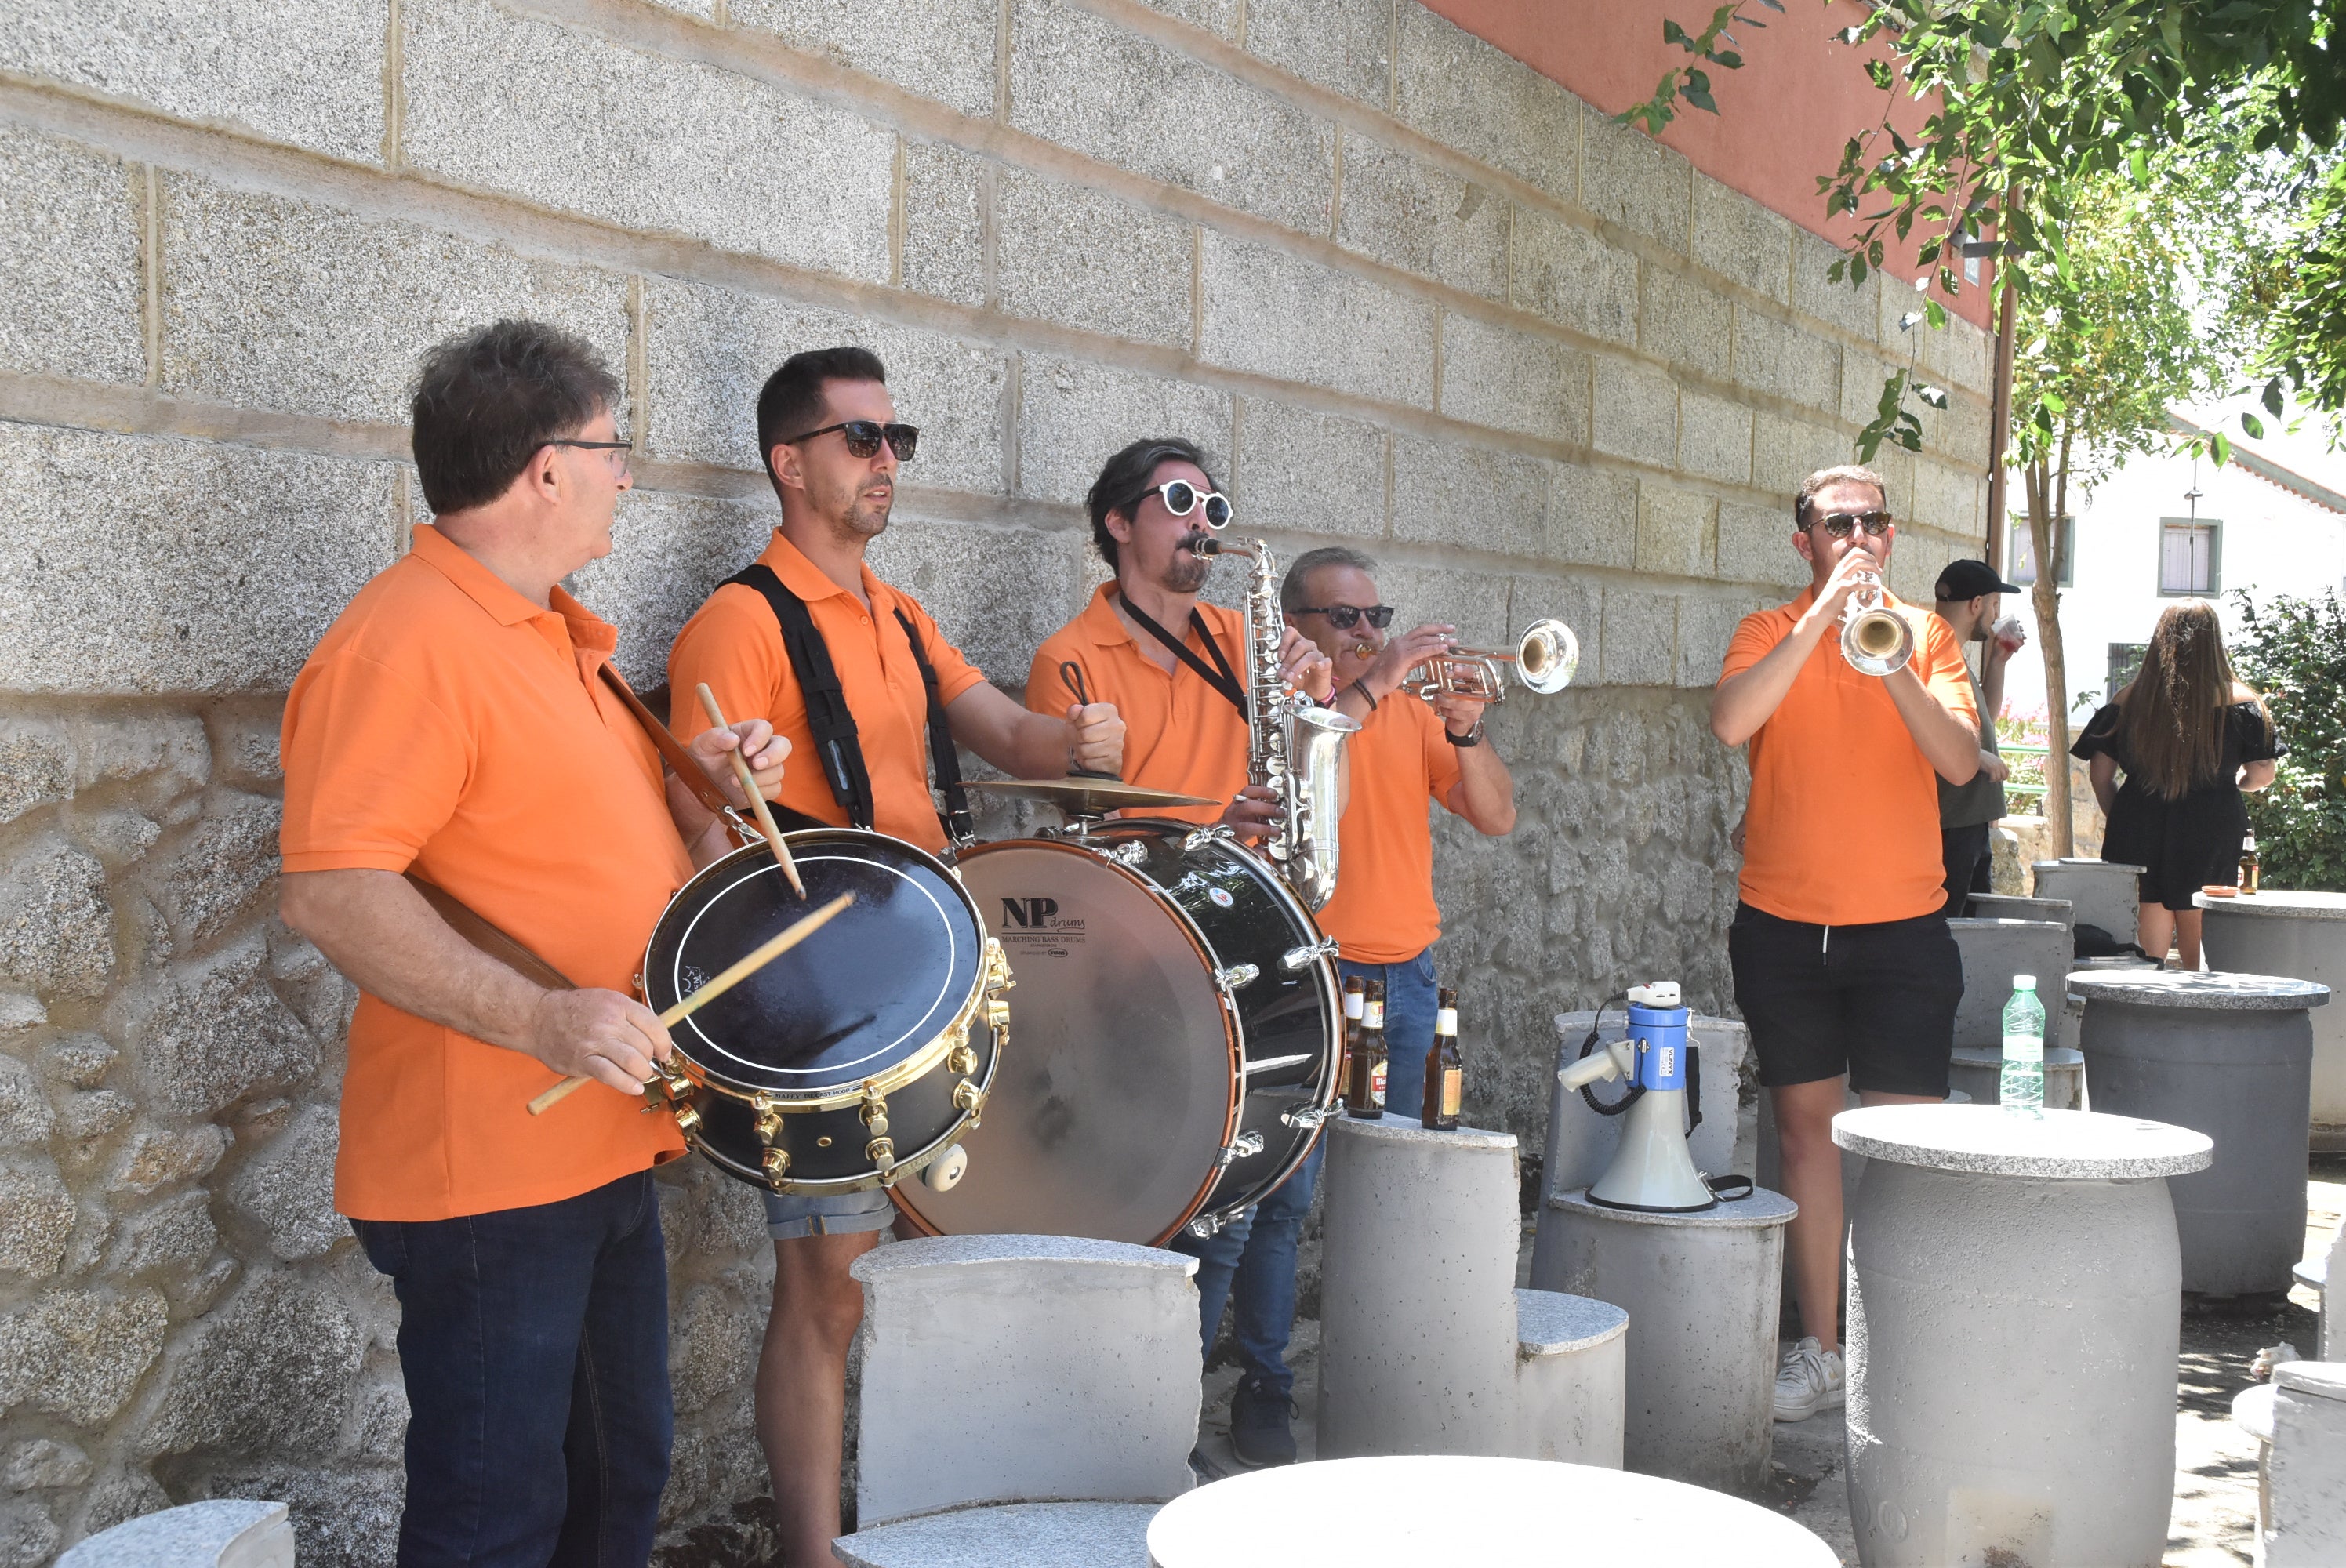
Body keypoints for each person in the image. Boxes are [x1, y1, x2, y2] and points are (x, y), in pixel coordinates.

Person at [277, 320, 790, 1566]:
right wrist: (541, 1020)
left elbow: (565, 838)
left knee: (616, 1485)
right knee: (494, 1517)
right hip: (489, 1170)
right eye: (616, 450)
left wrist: (693, 780)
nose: (629, 475)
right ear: (545, 469)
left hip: (600, 1138)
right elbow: (335, 891)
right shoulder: (402, 644)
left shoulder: (551, 630)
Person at [666, 346, 1124, 1568]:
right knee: (827, 1292)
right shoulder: (737, 618)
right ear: (789, 463)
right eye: (861, 438)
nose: (887, 460)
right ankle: (814, 1555)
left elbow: (1010, 737)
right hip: (824, 1011)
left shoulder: (899, 610)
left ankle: (928, 1523)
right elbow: (702, 839)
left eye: (896, 439)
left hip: (941, 973)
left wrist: (1078, 740)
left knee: (937, 1268)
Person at [1025, 437, 1334, 1468]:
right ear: (1119, 522)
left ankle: (1189, 1423)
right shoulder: (1071, 657)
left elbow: (1290, 768)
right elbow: (1080, 830)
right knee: (1195, 1210)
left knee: (1263, 1195)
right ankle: (1153, 1438)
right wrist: (1214, 812)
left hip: (1247, 943)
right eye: (1177, 501)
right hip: (1135, 968)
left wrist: (1308, 702)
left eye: (1212, 502)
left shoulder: (1239, 639)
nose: (1202, 520)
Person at [1709, 464, 1982, 1425]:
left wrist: (1889, 654)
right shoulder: (1766, 627)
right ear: (1805, 542)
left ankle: (1901, 1342)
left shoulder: (1933, 633)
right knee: (1806, 1144)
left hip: (1902, 926)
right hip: (1785, 926)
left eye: (1871, 521)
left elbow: (1956, 760)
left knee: (1906, 1148)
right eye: (1837, 523)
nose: (1857, 536)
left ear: (1892, 535)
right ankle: (1822, 1348)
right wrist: (1823, 616)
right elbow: (1733, 719)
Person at [1285, 545, 1518, 1120]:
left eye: (1377, 617)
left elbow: (1498, 818)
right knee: (1294, 1181)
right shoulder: (1279, 704)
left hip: (1408, 974)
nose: (1367, 630)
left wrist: (1468, 729)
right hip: (1317, 971)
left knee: (1402, 1164)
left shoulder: (1409, 708)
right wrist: (1382, 677)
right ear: (1295, 624)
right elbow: (1313, 779)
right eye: (1345, 617)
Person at [2072, 598, 2278, 969]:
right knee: (2203, 939)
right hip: (2212, 824)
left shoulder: (2128, 699)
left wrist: (2124, 817)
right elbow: (2262, 774)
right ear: (2215, 642)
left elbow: (2100, 777)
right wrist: (2233, 784)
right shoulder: (2245, 704)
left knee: (2148, 955)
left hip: (2140, 825)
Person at [1931, 559, 2025, 914]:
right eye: (1994, 605)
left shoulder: (1953, 655)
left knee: (1971, 928)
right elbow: (1925, 725)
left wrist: (1998, 661)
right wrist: (1975, 755)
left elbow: (1983, 716)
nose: (1995, 614)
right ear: (1976, 605)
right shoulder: (1932, 654)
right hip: (1950, 823)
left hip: (1968, 823)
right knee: (1952, 927)